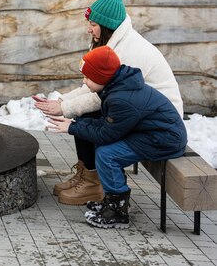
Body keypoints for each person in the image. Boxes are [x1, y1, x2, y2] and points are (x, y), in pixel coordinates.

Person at [34, 0, 183, 205]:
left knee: (88, 117)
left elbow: (100, 99)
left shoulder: (131, 51)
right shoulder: (108, 44)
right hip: (136, 112)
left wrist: (65, 110)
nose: (89, 30)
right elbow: (93, 88)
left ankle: (93, 183)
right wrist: (62, 102)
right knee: (84, 116)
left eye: (93, 25)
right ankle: (87, 175)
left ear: (107, 26)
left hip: (158, 121)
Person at [47, 46, 187, 229]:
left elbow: (106, 134)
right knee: (103, 148)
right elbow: (107, 125)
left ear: (102, 77)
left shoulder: (122, 99)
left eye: (89, 77)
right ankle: (111, 200)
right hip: (152, 133)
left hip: (164, 139)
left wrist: (72, 128)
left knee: (108, 154)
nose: (85, 81)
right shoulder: (117, 87)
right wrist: (77, 125)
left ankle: (117, 210)